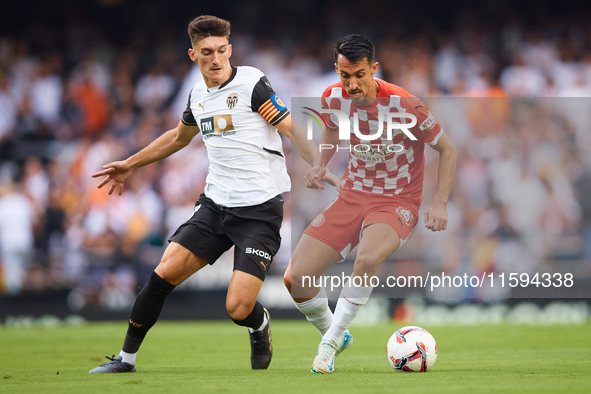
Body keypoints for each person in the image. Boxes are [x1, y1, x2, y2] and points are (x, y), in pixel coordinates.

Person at [89, 15, 335, 373]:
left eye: (222, 51)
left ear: (230, 50)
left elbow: (290, 127)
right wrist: (130, 163)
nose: (216, 59)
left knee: (237, 307)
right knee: (162, 274)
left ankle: (259, 324)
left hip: (259, 212)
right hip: (215, 206)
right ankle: (126, 360)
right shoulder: (198, 96)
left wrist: (316, 163)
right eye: (207, 53)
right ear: (193, 55)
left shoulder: (252, 84)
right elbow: (178, 138)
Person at [283, 34, 457, 374]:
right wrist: (321, 163)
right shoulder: (332, 97)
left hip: (397, 200)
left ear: (373, 69)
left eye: (359, 75)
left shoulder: (405, 104)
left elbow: (447, 149)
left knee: (366, 259)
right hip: (352, 195)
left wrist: (440, 203)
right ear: (336, 70)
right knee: (295, 278)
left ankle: (329, 343)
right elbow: (332, 131)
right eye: (344, 75)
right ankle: (335, 331)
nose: (351, 84)